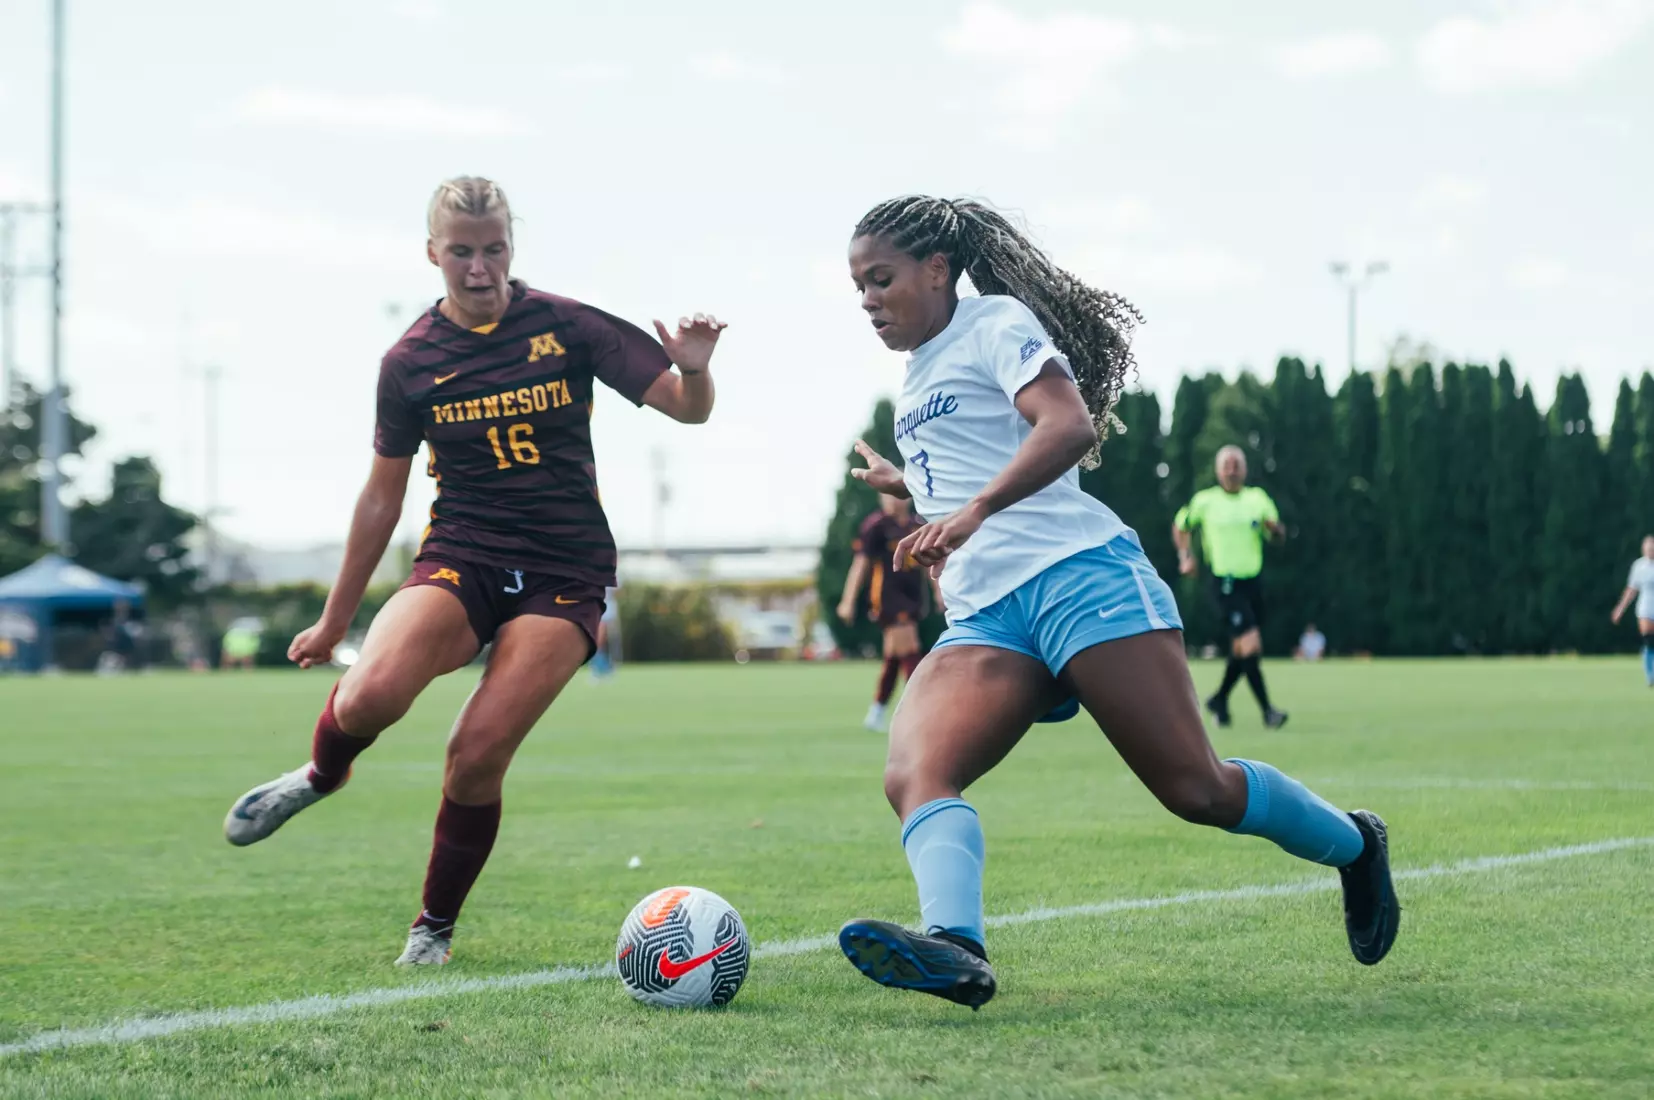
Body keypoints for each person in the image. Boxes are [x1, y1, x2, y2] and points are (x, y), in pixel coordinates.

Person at [835, 195, 1397, 1009]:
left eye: (880, 279)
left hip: (1080, 578)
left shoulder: (994, 321)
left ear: (936, 269)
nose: (868, 301)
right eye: (857, 288)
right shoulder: (914, 382)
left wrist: (971, 511)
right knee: (917, 771)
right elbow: (964, 482)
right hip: (990, 622)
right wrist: (914, 487)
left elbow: (1065, 428)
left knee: (1196, 790)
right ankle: (956, 946)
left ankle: (1355, 846)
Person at [222, 176, 725, 966]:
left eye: (494, 249)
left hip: (564, 570)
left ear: (511, 249)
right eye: (462, 251)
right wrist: (332, 619)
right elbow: (381, 500)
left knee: (476, 751)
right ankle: (322, 774)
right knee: (369, 695)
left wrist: (694, 369)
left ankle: (433, 929)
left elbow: (687, 408)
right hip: (462, 557)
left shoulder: (568, 326)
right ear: (433, 253)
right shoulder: (410, 361)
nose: (480, 267)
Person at [1173, 448, 1290, 729]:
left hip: (1253, 583)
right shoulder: (1205, 501)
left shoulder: (1258, 499)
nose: (1232, 470)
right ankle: (1268, 712)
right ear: (1217, 470)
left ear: (1245, 470)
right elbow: (1181, 526)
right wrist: (1186, 557)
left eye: (1237, 465)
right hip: (1224, 582)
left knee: (1241, 649)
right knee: (1251, 644)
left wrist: (1275, 531)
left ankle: (1220, 699)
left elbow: (1278, 535)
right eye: (1227, 465)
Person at [837, 494, 941, 730]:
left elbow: (928, 563)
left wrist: (937, 590)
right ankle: (919, 710)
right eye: (888, 495)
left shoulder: (917, 525)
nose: (893, 500)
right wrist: (848, 600)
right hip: (888, 600)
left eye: (898, 494)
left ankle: (876, 713)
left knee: (895, 657)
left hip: (913, 598)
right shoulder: (877, 526)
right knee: (911, 649)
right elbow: (861, 564)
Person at [1610, 535, 1654, 687]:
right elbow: (1631, 590)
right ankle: (1650, 675)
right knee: (1649, 640)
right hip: (1646, 608)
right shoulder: (1639, 566)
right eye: (1648, 548)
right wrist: (1620, 609)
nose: (1650, 550)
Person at [590, 584, 621, 681]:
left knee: (604, 640)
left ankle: (604, 668)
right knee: (598, 641)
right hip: (598, 608)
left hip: (608, 610)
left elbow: (617, 592)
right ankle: (601, 668)